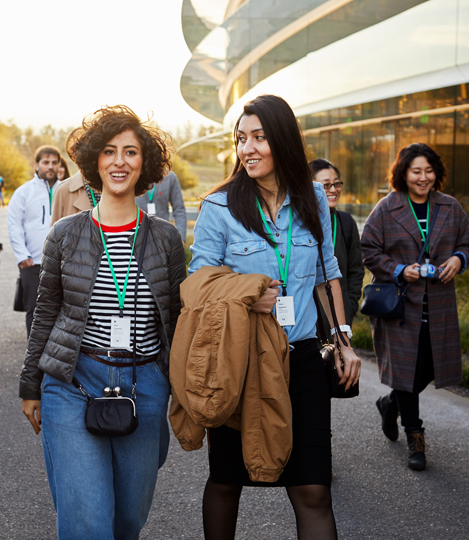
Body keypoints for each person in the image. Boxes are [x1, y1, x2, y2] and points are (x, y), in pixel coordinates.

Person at [188, 94, 361, 540]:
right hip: (241, 361)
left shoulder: (313, 201)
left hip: (303, 360)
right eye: (242, 139)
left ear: (282, 140)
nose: (248, 148)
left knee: (313, 490)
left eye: (259, 138)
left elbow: (328, 276)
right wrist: (244, 294)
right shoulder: (219, 207)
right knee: (227, 482)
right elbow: (198, 283)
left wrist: (342, 340)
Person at [20, 105, 186, 539]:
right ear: (94, 160)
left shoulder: (165, 238)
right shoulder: (65, 234)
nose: (119, 161)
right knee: (87, 524)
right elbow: (46, 313)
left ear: (144, 163)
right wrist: (29, 384)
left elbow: (177, 319)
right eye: (109, 151)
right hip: (74, 382)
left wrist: (183, 387)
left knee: (127, 521)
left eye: (130, 152)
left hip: (144, 382)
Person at [362, 143, 469, 471]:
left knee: (433, 368)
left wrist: (458, 258)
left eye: (429, 171)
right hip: (400, 306)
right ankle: (415, 435)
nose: (423, 178)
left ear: (436, 173)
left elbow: (467, 241)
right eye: (416, 171)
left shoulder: (450, 207)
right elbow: (369, 248)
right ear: (403, 173)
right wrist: (398, 270)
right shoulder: (386, 207)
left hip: (439, 305)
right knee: (408, 370)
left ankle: (390, 402)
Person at [7, 145, 60, 336]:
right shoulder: (24, 192)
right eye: (46, 162)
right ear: (36, 165)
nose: (50, 166)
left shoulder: (66, 190)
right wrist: (22, 255)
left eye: (54, 162)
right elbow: (14, 225)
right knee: (35, 309)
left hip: (61, 262)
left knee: (61, 310)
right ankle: (35, 355)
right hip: (32, 262)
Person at [309, 159, 364, 336]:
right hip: (308, 321)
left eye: (336, 183)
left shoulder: (346, 222)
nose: (333, 190)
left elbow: (355, 270)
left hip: (340, 319)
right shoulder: (299, 223)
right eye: (326, 185)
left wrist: (350, 306)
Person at [135, 170, 187, 243]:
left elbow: (179, 209)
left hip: (163, 238)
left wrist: (181, 238)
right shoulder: (134, 175)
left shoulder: (170, 177)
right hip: (137, 238)